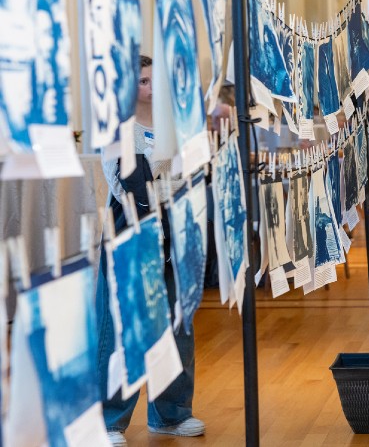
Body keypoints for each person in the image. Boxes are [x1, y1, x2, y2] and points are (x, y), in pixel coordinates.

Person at [97, 55, 205, 446]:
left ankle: (171, 414)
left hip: (175, 226)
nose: (150, 87)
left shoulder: (174, 123)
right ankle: (110, 420)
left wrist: (159, 167)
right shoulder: (117, 131)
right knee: (122, 328)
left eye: (153, 80)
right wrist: (162, 165)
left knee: (178, 321)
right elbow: (124, 185)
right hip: (130, 229)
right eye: (143, 81)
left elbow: (187, 170)